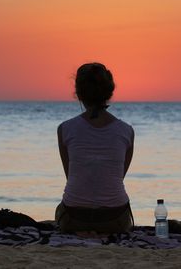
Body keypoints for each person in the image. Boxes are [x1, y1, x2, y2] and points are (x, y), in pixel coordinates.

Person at [55, 62, 135, 236]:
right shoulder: (126, 131)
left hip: (74, 218)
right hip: (115, 220)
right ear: (109, 92)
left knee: (60, 208)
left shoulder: (65, 129)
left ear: (79, 94)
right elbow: (117, 176)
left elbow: (71, 175)